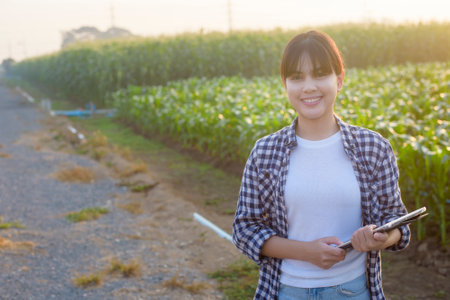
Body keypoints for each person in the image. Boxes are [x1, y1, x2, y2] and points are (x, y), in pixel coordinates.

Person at [232, 30, 410, 300]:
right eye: (296, 77)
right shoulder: (265, 151)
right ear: (285, 84)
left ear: (339, 80)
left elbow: (398, 224)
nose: (308, 87)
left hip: (352, 291)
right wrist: (306, 251)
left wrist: (380, 237)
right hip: (286, 291)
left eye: (319, 74)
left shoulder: (373, 147)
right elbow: (245, 230)